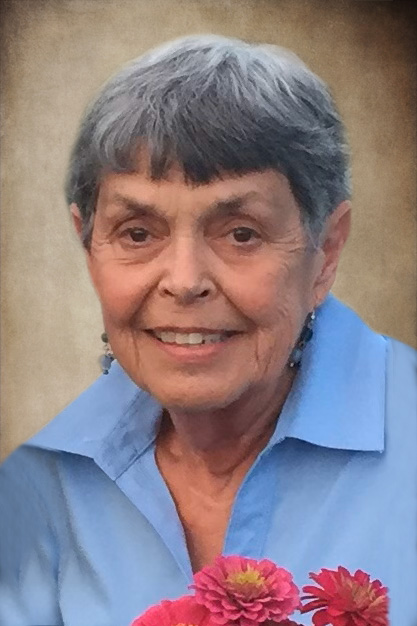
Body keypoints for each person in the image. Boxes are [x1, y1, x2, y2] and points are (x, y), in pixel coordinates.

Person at [0, 35, 415, 626]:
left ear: (325, 251)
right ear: (88, 245)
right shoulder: (37, 491)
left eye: (241, 233)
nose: (185, 281)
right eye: (137, 233)